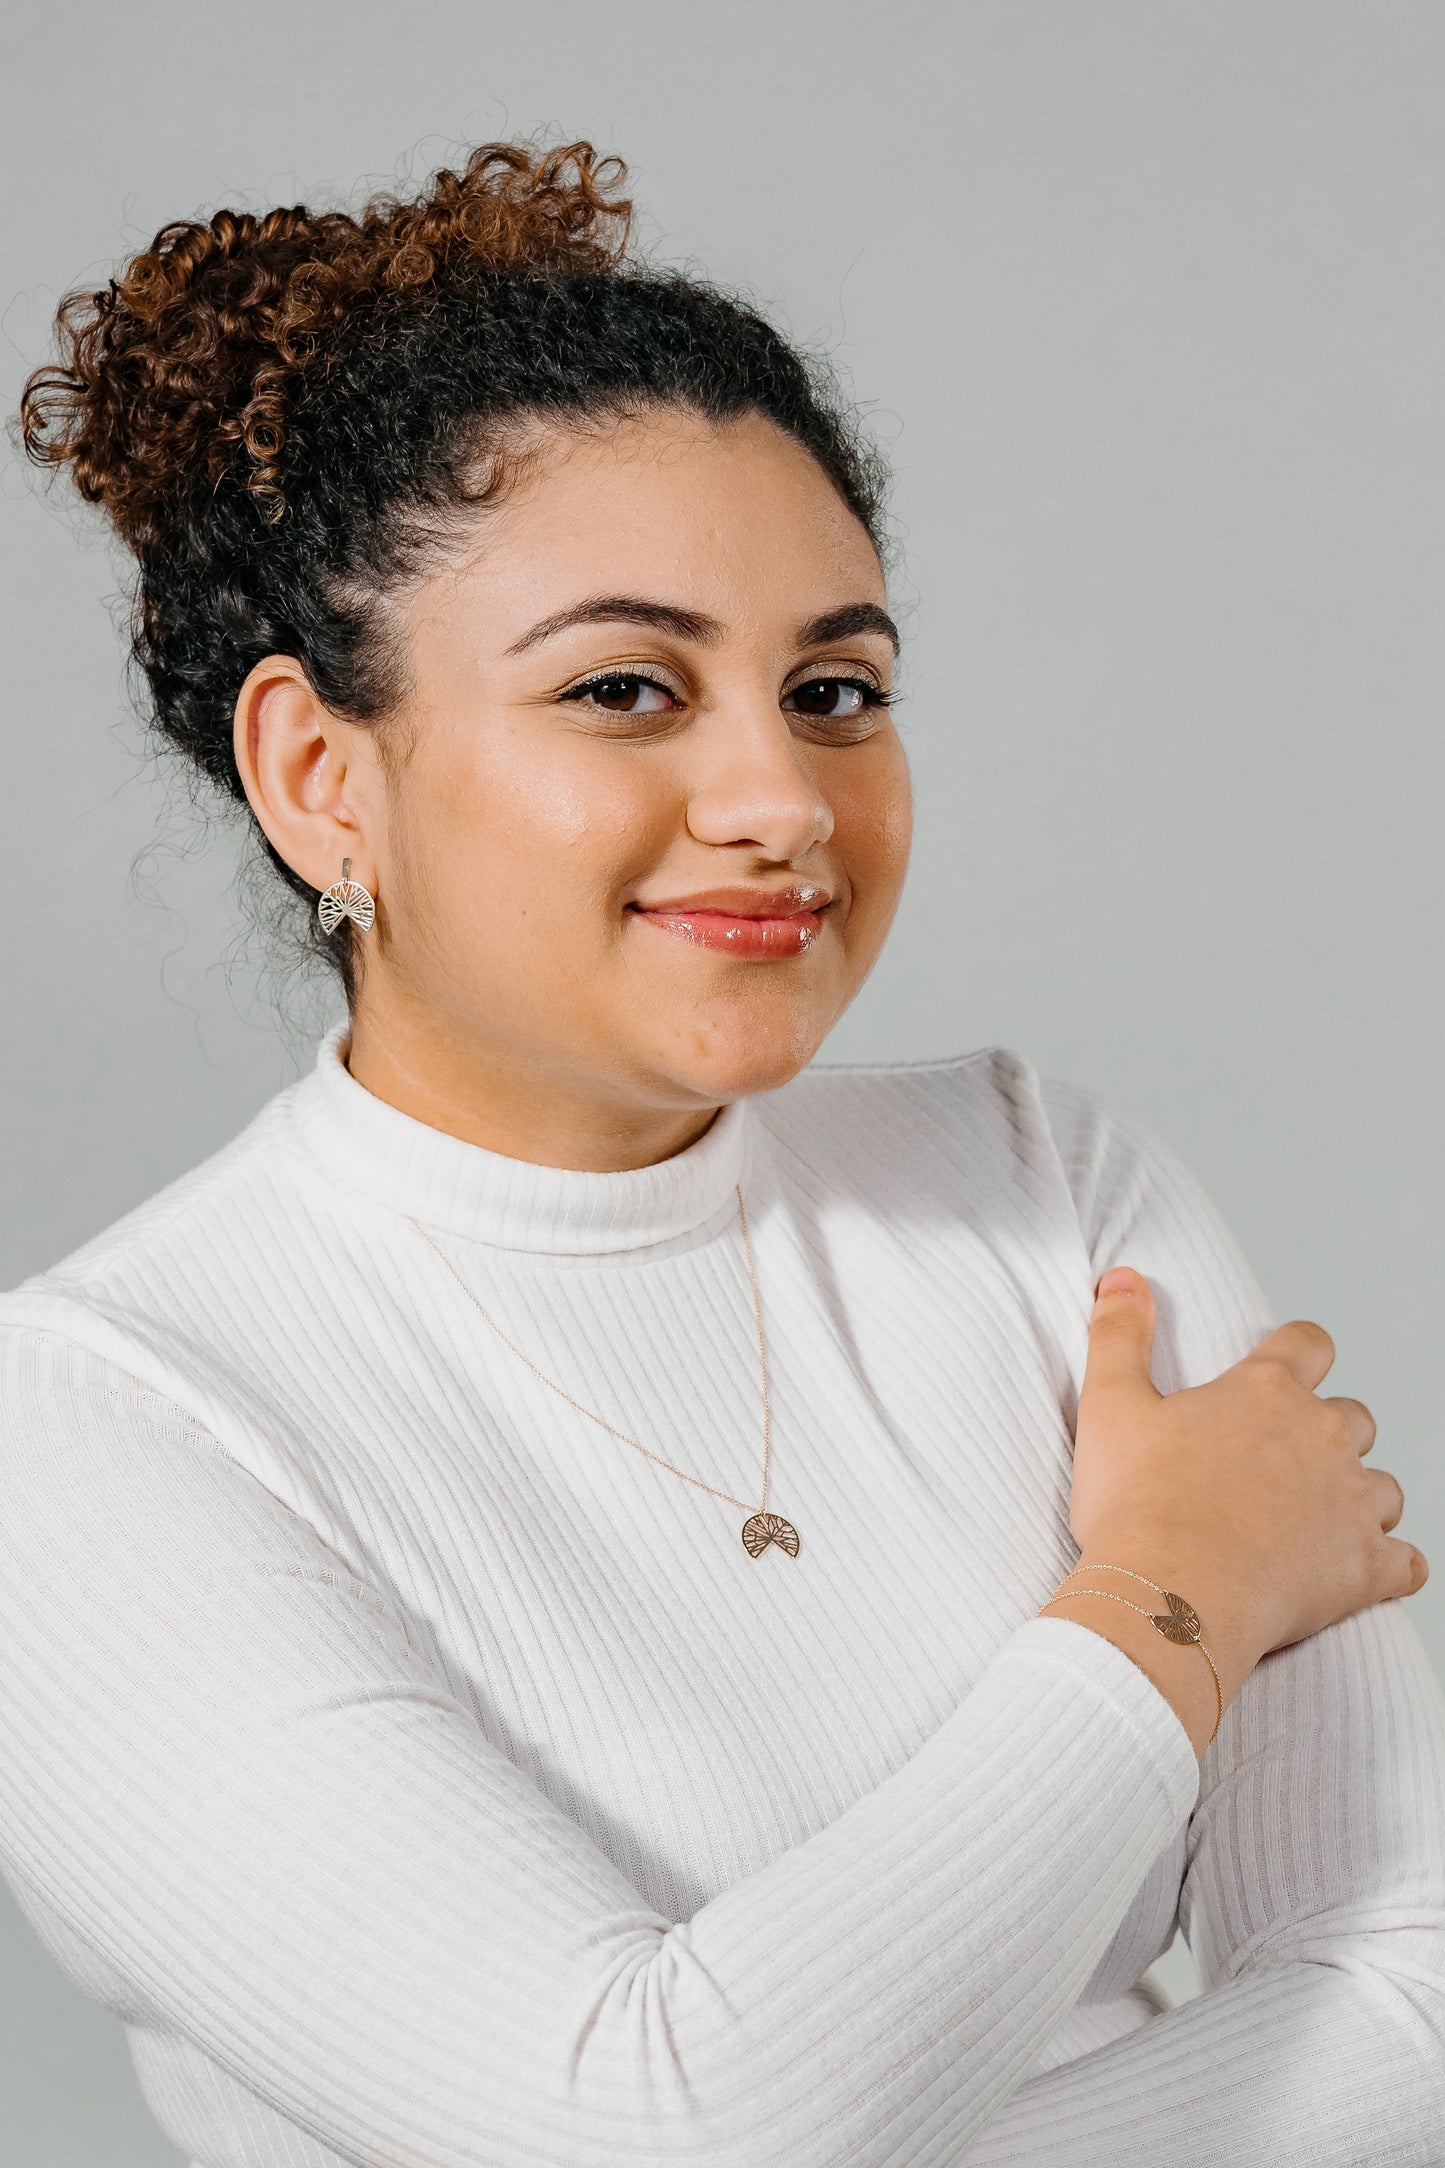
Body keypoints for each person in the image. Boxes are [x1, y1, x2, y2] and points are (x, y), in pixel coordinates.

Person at [1, 138, 1441, 2168]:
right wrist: (1176, 1586)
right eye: (625, 689)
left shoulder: (1049, 1185)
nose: (781, 796)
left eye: (835, 688)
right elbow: (648, 2137)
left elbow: (1419, 1985)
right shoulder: (99, 1424)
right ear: (321, 777)